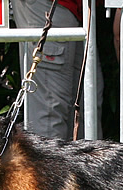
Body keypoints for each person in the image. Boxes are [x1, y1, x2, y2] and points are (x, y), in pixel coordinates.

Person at [10, 0, 103, 139]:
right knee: (49, 113)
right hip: (51, 6)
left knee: (87, 106)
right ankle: (46, 161)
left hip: (71, 9)